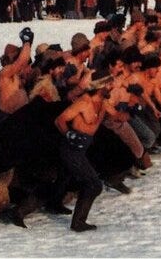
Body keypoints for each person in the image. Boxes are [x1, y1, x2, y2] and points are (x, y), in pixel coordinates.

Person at [53, 78, 113, 232]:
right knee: (94, 185)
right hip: (71, 149)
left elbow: (116, 116)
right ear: (100, 86)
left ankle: (20, 211)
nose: (112, 86)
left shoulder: (103, 102)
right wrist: (69, 136)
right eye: (109, 84)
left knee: (60, 180)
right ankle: (78, 222)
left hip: (81, 150)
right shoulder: (83, 103)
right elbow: (59, 120)